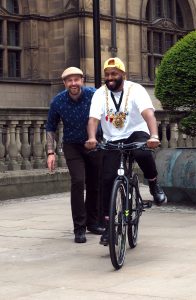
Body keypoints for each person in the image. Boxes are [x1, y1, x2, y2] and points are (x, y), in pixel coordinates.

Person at [85, 57, 167, 245]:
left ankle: (154, 184)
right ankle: (108, 227)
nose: (110, 78)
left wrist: (153, 135)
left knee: (142, 153)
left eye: (114, 74)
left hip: (135, 132)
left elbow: (148, 113)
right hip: (113, 138)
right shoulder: (100, 93)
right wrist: (91, 138)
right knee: (106, 179)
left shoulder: (135, 89)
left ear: (124, 75)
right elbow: (93, 119)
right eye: (107, 75)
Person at [46, 66, 104, 244]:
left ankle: (92, 222)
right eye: (69, 80)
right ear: (64, 83)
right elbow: (51, 127)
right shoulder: (58, 101)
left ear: (82, 81)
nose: (73, 83)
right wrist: (50, 152)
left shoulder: (94, 95)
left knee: (94, 183)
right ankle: (79, 228)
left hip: (94, 142)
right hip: (72, 145)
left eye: (76, 79)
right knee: (78, 181)